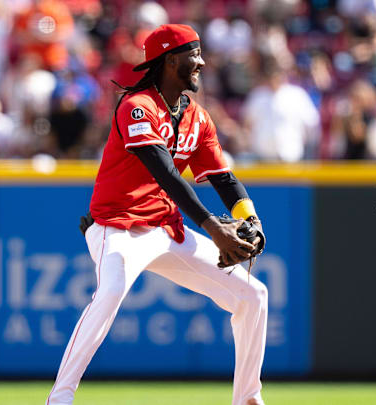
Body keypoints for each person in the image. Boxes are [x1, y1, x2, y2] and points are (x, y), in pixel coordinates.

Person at [46, 24, 268, 405]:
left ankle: (247, 398)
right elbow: (165, 174)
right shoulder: (137, 106)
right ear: (169, 61)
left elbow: (224, 178)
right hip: (117, 226)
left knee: (253, 295)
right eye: (192, 55)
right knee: (111, 290)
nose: (200, 61)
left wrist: (251, 220)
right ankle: (59, 399)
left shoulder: (197, 116)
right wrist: (214, 227)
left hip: (166, 230)